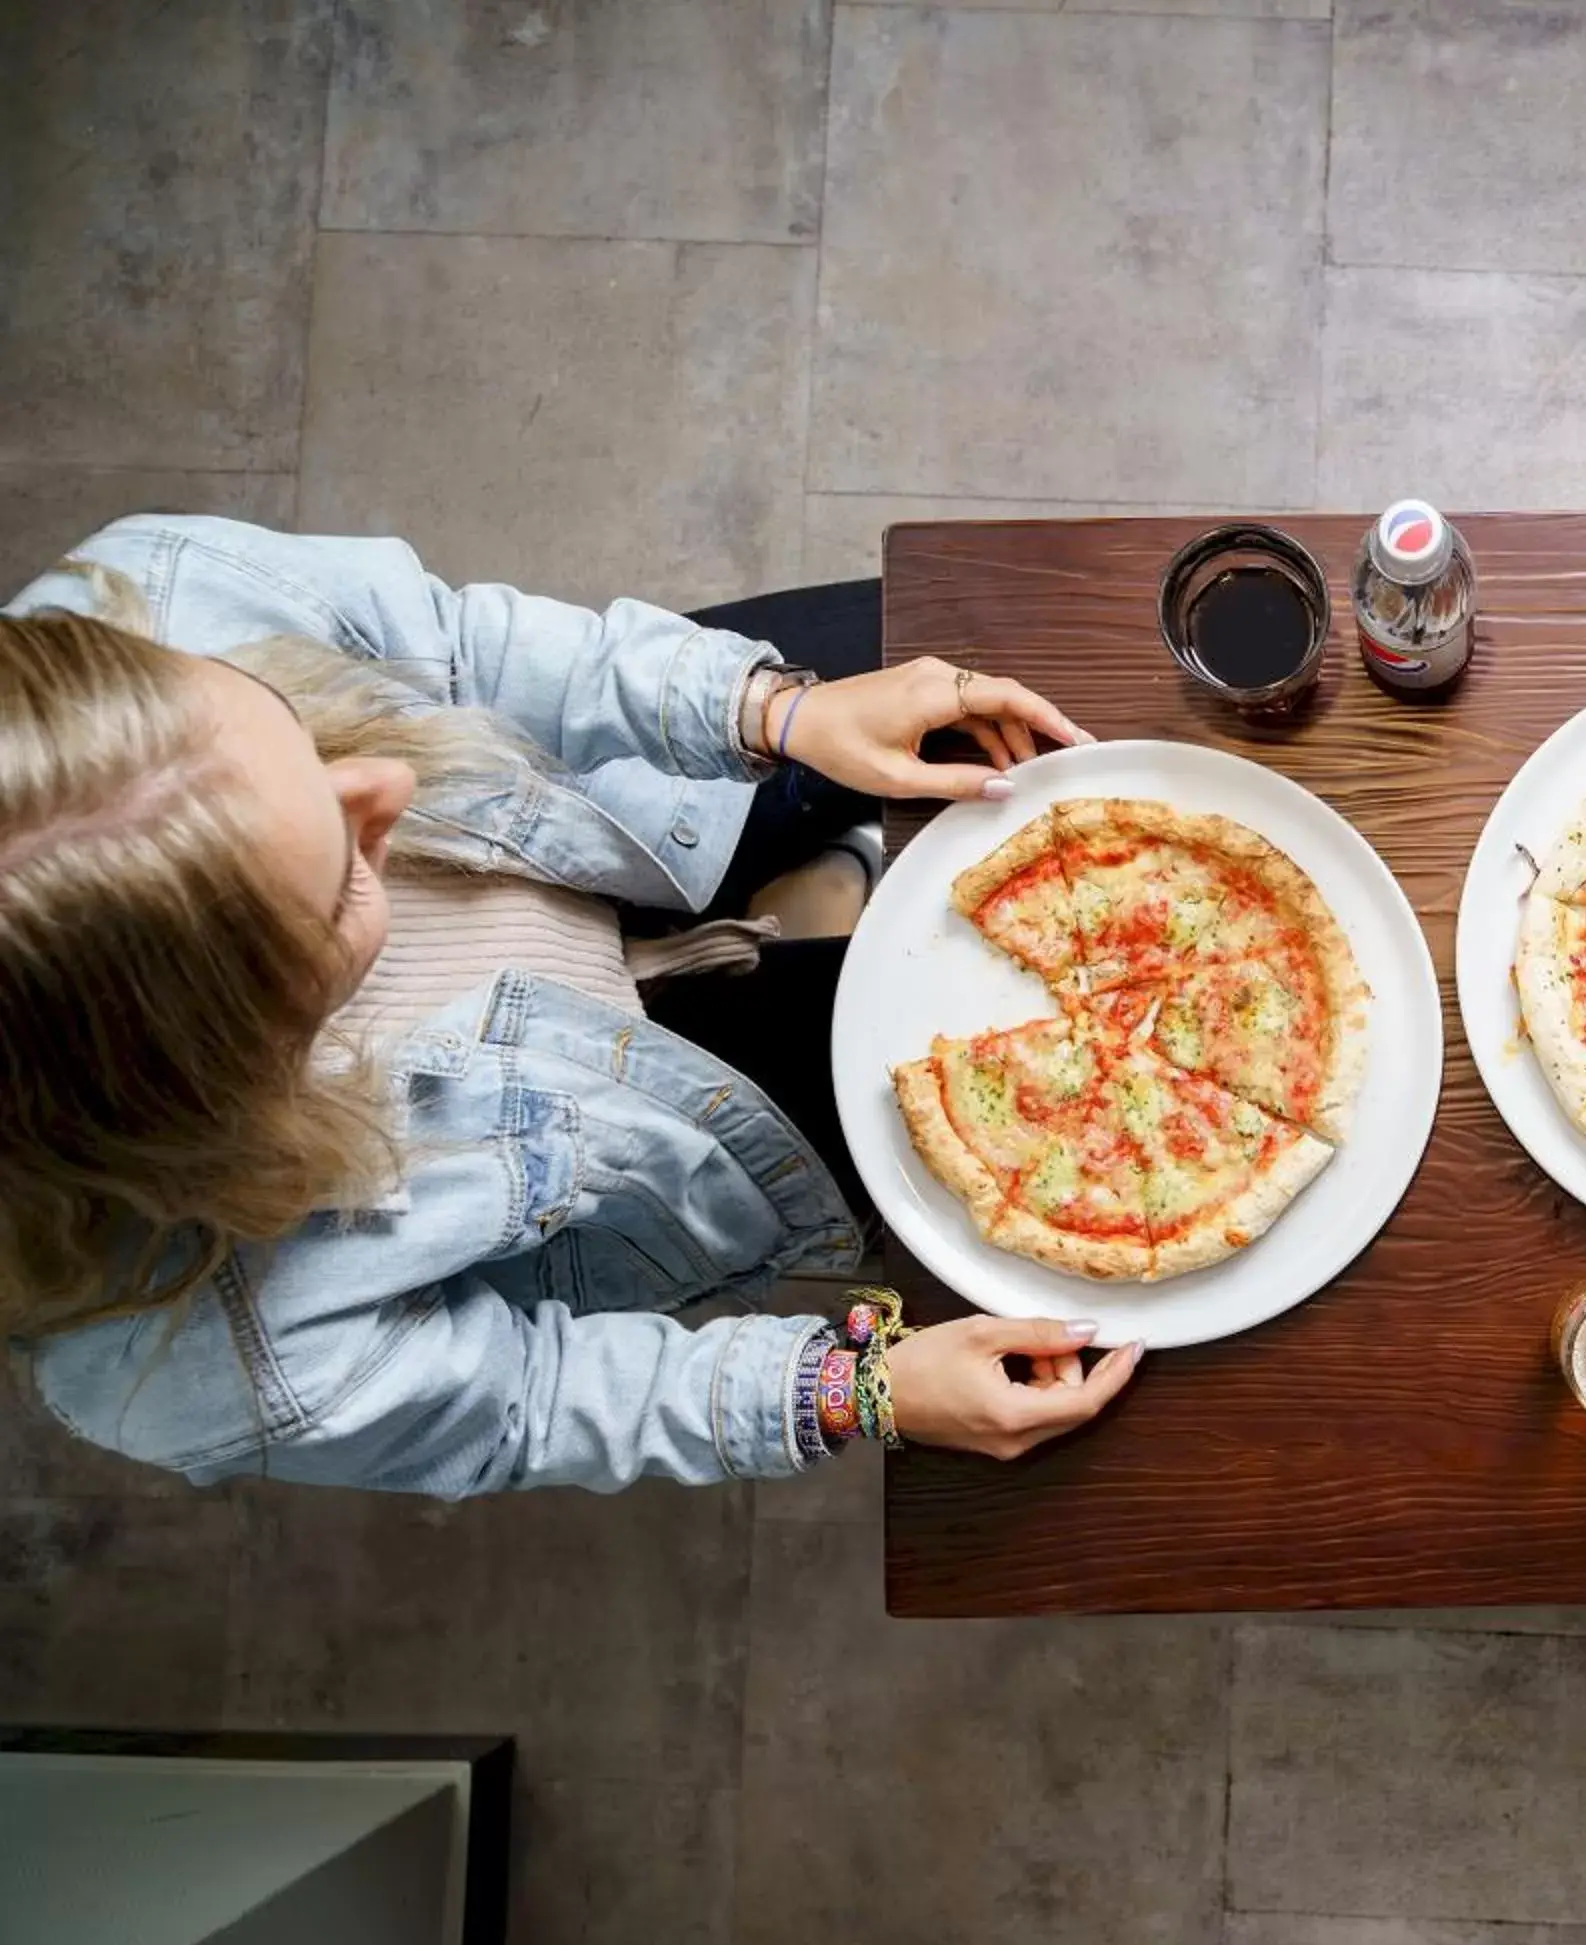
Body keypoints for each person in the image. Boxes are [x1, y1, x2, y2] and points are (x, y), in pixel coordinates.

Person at [0, 518, 1139, 1494]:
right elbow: (530, 1402)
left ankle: (810, 882)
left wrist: (772, 711)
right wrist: (857, 1388)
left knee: (1054, 653)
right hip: (678, 1112)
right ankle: (799, 909)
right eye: (345, 873)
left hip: (629, 798)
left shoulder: (157, 593)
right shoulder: (207, 1360)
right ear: (214, 1078)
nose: (390, 780)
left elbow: (458, 653)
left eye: (287, 722)